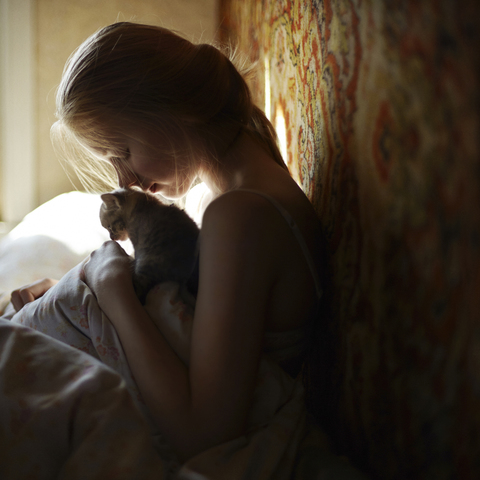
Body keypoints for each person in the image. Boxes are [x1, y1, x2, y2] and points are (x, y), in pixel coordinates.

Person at [11, 22, 325, 464]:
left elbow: (204, 432)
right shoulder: (224, 198)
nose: (126, 180)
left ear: (168, 108)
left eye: (122, 151)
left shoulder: (239, 217)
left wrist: (108, 287)